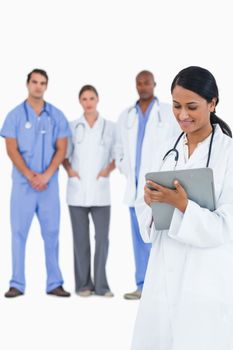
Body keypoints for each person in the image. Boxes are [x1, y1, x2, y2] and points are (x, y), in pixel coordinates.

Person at [131, 66, 233, 349]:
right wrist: (151, 203)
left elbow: (227, 226)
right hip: (163, 272)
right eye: (176, 106)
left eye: (192, 106)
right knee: (160, 337)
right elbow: (144, 207)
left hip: (206, 276)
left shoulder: (228, 153)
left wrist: (184, 206)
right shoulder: (166, 149)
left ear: (212, 104)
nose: (182, 115)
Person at [1, 69, 71, 298]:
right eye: (35, 82)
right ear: (27, 84)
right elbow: (11, 149)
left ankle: (54, 283)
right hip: (23, 186)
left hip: (48, 186)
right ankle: (17, 283)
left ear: (46, 86)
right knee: (18, 233)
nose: (38, 86)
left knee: (52, 233)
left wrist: (47, 175)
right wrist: (31, 175)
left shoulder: (56, 115)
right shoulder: (14, 116)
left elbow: (61, 149)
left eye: (42, 83)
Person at [115, 70, 180, 300]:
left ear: (154, 84)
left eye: (147, 82)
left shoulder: (166, 112)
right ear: (135, 85)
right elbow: (118, 149)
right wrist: (125, 168)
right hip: (134, 189)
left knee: (162, 237)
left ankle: (163, 287)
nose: (143, 86)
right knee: (139, 239)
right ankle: (142, 285)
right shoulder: (126, 116)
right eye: (139, 83)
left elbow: (178, 144)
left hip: (160, 186)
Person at [63, 85, 115, 297]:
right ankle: (83, 285)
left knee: (102, 239)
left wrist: (106, 171)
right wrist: (70, 172)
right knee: (80, 240)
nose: (88, 102)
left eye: (91, 98)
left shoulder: (109, 127)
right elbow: (64, 155)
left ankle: (101, 286)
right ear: (80, 101)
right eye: (84, 98)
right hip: (77, 191)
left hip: (101, 191)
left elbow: (116, 155)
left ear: (98, 99)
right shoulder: (72, 126)